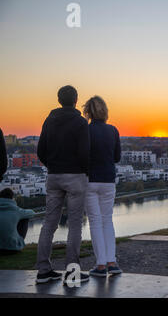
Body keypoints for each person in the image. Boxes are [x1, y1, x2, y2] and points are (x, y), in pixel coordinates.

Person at [36, 85, 90, 284]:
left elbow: (41, 150)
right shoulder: (80, 122)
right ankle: (72, 272)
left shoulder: (49, 120)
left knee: (49, 223)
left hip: (54, 176)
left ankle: (43, 270)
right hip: (75, 176)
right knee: (75, 224)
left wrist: (52, 165)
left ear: (59, 100)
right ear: (76, 100)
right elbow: (84, 153)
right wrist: (85, 171)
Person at [82, 96, 122, 277]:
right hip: (108, 180)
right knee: (107, 220)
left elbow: (80, 155)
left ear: (88, 112)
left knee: (95, 222)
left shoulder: (85, 131)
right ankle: (112, 262)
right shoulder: (113, 130)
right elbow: (116, 158)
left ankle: (100, 265)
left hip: (90, 180)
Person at [0, 189, 35, 253]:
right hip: (12, 248)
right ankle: (19, 243)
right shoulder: (16, 211)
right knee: (25, 218)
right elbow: (32, 213)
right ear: (12, 198)